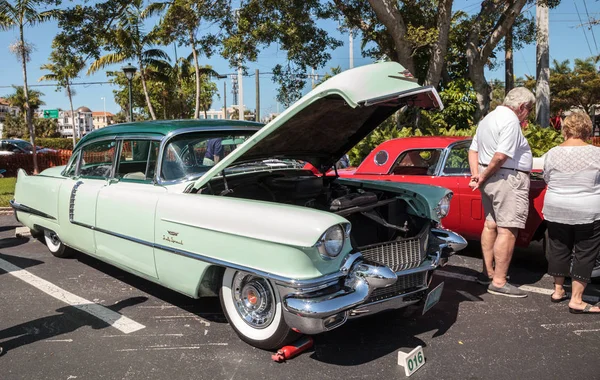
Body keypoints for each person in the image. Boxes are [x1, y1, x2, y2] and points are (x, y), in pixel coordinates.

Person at [468, 87, 535, 298]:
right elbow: (501, 156)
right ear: (522, 107)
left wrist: (477, 175)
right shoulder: (511, 121)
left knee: (490, 224)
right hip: (507, 178)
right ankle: (499, 281)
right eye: (530, 110)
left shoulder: (488, 118)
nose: (529, 115)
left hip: (489, 178)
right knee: (507, 229)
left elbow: (473, 149)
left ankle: (487, 273)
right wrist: (484, 175)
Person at [543, 112, 600, 313]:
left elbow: (547, 177)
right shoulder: (596, 153)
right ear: (587, 129)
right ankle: (576, 299)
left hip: (556, 207)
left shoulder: (552, 153)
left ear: (565, 130)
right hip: (587, 210)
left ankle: (558, 290)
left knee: (559, 247)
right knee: (584, 252)